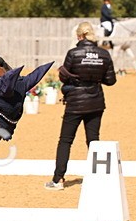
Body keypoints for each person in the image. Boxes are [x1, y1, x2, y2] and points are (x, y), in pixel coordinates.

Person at [46, 22, 117, 190]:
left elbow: (64, 77)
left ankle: (58, 179)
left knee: (65, 140)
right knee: (93, 140)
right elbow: (111, 80)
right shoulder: (104, 54)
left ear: (79, 36)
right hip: (96, 100)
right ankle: (97, 178)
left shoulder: (73, 53)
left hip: (75, 102)